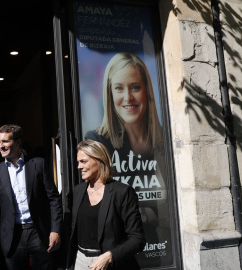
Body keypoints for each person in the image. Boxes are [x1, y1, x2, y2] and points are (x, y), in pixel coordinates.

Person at [85, 52, 171, 267]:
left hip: (165, 244)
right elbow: (101, 204)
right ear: (109, 93)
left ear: (147, 91)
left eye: (135, 87)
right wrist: (147, 212)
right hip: (118, 247)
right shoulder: (96, 141)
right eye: (119, 88)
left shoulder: (165, 141)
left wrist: (157, 215)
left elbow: (175, 205)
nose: (128, 98)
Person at [0, 124, 63, 270]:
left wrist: (55, 229)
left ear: (18, 142)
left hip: (38, 233)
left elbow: (54, 199)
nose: (0, 146)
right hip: (13, 237)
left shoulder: (38, 164)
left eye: (5, 142)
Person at [67, 140, 145, 270]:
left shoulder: (122, 192)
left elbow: (137, 239)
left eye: (83, 161)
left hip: (110, 263)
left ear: (99, 160)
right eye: (78, 162)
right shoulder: (78, 191)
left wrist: (110, 256)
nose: (79, 166)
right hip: (80, 261)